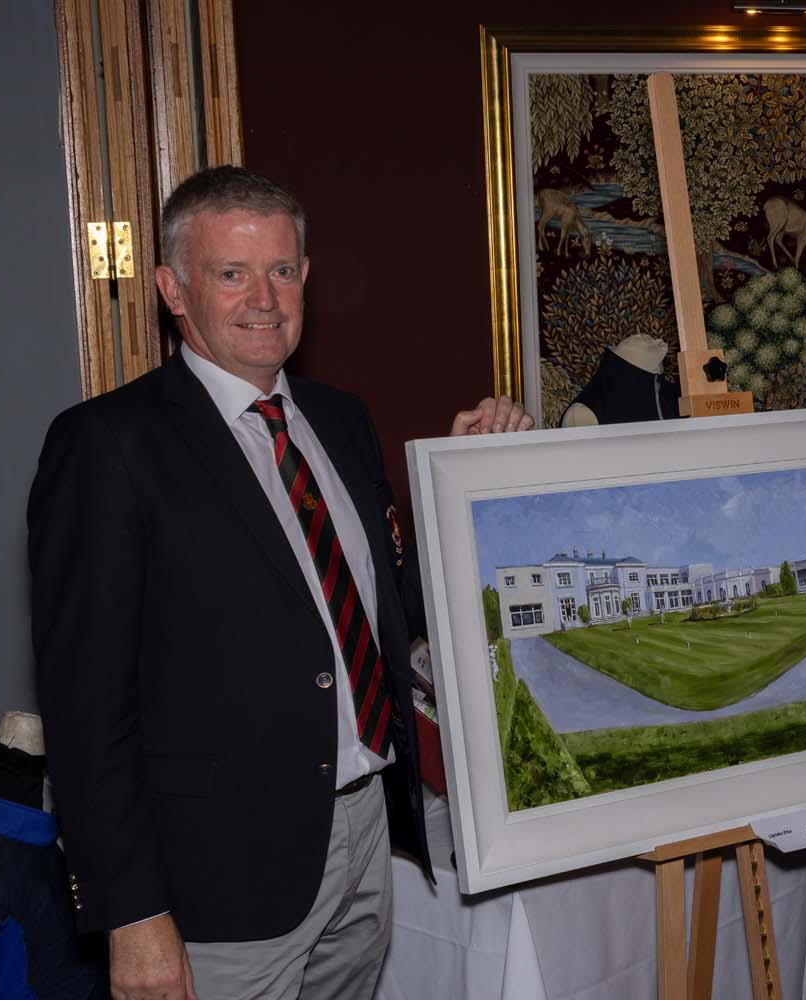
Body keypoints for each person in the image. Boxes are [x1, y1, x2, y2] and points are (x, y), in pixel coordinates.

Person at [28, 165, 531, 1000]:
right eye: (231, 273)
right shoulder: (107, 446)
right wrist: (132, 914)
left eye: (283, 270)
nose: (264, 299)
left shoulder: (341, 419)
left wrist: (465, 481)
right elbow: (87, 712)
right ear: (173, 289)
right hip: (219, 875)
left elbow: (389, 612)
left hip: (366, 836)